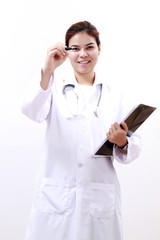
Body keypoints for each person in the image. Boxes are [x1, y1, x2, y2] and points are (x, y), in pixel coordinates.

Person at [21, 21, 141, 240]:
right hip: (56, 197)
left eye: (89, 47)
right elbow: (31, 111)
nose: (82, 54)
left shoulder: (116, 94)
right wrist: (47, 70)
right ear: (65, 52)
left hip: (99, 197)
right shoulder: (52, 84)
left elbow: (134, 146)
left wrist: (122, 141)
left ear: (99, 48)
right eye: (74, 48)